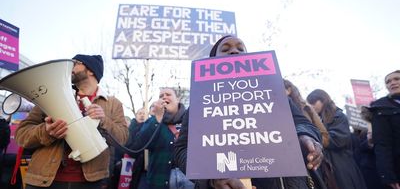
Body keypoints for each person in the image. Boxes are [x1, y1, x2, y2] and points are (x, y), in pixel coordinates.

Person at [175, 35, 324, 189]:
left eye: (240, 49)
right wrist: (210, 177)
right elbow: (181, 150)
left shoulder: (274, 94)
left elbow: (302, 123)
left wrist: (306, 137)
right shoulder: (199, 105)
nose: (234, 51)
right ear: (212, 60)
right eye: (225, 49)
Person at [15, 54, 129, 189]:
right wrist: (46, 132)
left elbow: (122, 138)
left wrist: (103, 120)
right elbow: (21, 135)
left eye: (75, 63)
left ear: (91, 70)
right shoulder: (50, 94)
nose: (69, 67)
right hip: (43, 179)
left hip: (90, 182)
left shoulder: (113, 103)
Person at [126, 88, 186, 189]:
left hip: (188, 179)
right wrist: (157, 119)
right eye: (161, 96)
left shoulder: (189, 119)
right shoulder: (152, 121)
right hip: (160, 181)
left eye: (168, 94)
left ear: (178, 99)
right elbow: (137, 147)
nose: (164, 97)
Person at [306, 89, 367, 189]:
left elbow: (338, 140)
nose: (311, 106)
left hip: (342, 166)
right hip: (328, 167)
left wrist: (314, 135)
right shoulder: (317, 119)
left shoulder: (338, 116)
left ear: (323, 100)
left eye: (313, 102)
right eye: (309, 103)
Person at [369, 70, 400, 189]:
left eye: (397, 79)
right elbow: (382, 144)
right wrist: (387, 176)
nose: (392, 83)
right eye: (388, 81)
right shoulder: (380, 108)